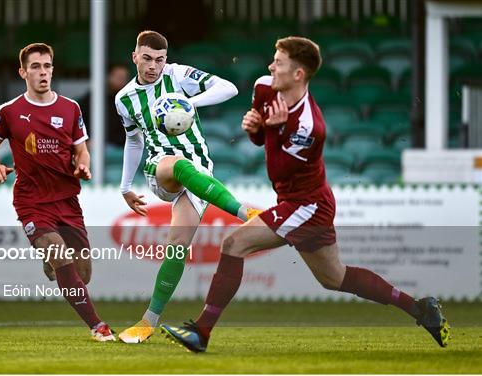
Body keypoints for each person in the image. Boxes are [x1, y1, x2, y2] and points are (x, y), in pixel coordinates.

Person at [160, 36, 451, 352]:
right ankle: (421, 308)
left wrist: (272, 130)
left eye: (279, 62)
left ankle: (201, 332)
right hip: (300, 203)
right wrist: (255, 128)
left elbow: (280, 168)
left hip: (307, 205)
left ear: (298, 74)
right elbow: (261, 142)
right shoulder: (264, 87)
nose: (271, 66)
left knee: (234, 244)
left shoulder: (310, 126)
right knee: (334, 278)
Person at [115, 30, 260, 343]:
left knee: (177, 245)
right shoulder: (124, 99)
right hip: (161, 169)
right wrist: (126, 185)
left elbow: (229, 88)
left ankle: (147, 322)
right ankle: (246, 211)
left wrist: (185, 103)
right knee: (177, 166)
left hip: (200, 172)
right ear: (135, 56)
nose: (154, 65)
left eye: (160, 59)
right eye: (147, 58)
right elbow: (132, 140)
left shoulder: (178, 75)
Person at [0, 43, 115, 342]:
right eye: (36, 67)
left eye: (48, 66)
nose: (43, 72)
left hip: (67, 200)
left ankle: (51, 263)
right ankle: (98, 326)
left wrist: (83, 166)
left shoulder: (71, 108)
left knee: (83, 274)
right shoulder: (10, 111)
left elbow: (82, 150)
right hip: (31, 201)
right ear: (23, 72)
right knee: (59, 254)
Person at [79, 64, 131, 148]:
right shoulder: (93, 99)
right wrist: (86, 140)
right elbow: (81, 122)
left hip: (119, 147)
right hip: (94, 146)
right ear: (108, 77)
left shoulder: (129, 101)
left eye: (124, 78)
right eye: (119, 77)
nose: (122, 81)